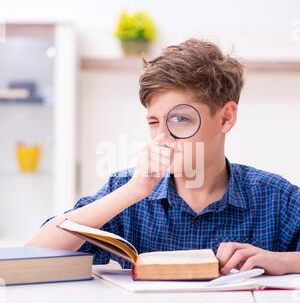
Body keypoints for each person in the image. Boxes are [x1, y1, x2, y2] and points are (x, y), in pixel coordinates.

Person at [26, 38, 300, 275]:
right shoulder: (128, 193)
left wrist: (283, 260)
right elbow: (33, 256)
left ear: (226, 118)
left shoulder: (273, 197)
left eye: (180, 119)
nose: (162, 137)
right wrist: (133, 190)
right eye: (154, 122)